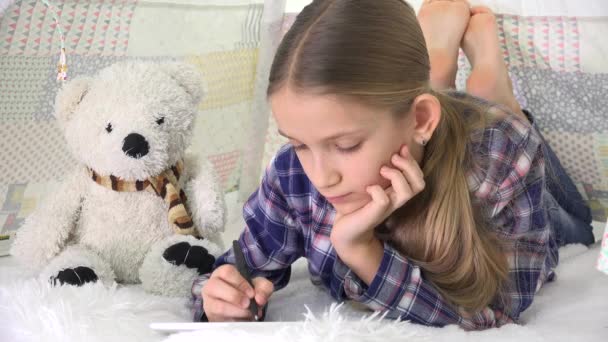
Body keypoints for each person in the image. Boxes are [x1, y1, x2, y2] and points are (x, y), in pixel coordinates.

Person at [191, 0, 595, 329]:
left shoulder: (499, 159)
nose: (323, 176)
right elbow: (237, 268)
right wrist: (222, 296)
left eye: (346, 145)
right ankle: (438, 71)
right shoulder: (295, 173)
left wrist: (364, 251)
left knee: (576, 224)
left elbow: (499, 311)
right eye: (298, 143)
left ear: (420, 120)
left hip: (490, 150)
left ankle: (493, 90)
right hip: (421, 119)